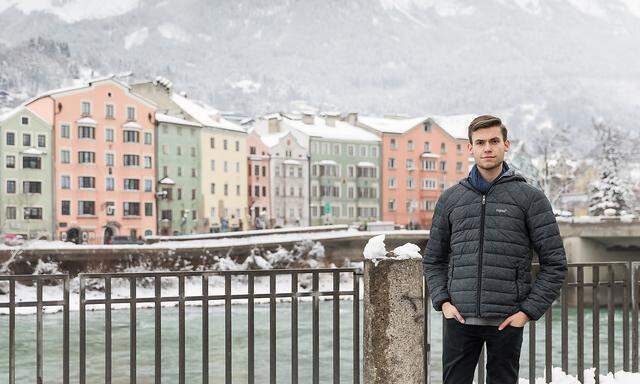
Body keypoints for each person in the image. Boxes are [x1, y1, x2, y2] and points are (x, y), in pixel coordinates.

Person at [423, 115, 567, 383]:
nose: (487, 148)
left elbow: (555, 264)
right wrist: (443, 302)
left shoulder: (530, 198)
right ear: (470, 148)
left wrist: (527, 312)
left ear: (506, 144)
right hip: (459, 319)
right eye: (480, 142)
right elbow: (433, 259)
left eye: (493, 141)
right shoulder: (451, 199)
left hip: (507, 319)